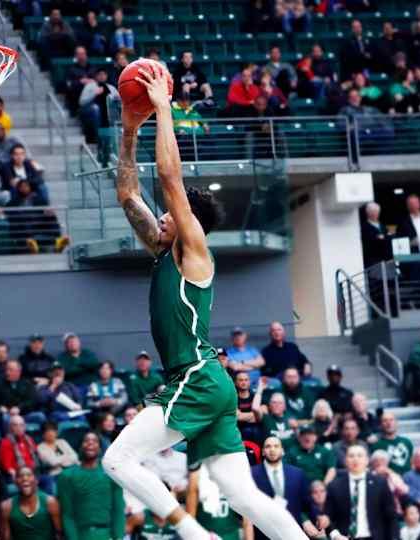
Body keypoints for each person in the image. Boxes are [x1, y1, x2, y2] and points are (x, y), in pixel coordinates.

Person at [105, 63, 307, 540]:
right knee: (239, 492)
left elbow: (170, 180)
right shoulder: (163, 250)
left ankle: (196, 537)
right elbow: (126, 191)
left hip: (195, 376)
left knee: (118, 459)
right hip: (205, 380)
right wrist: (130, 129)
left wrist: (163, 109)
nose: (160, 214)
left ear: (187, 219)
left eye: (170, 212)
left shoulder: (193, 249)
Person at [249, 437, 323, 538]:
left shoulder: (297, 474)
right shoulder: (251, 474)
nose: (272, 449)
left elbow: (307, 504)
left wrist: (319, 520)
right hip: (263, 534)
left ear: (282, 451)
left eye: (276, 446)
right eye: (268, 446)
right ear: (263, 452)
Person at [58, 432, 125, 540]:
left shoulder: (112, 474)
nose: (90, 443)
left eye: (94, 441)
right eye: (86, 441)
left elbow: (118, 510)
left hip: (106, 534)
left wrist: (118, 537)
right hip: (81, 534)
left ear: (99, 447)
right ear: (80, 446)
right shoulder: (66, 476)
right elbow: (67, 515)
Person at [323, 445, 397, 540]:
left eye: (359, 455)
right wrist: (335, 535)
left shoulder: (380, 483)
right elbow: (327, 517)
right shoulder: (334, 486)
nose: (355, 459)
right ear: (345, 461)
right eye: (351, 456)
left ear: (367, 460)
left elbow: (391, 516)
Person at [0, 466, 61, 540]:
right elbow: (5, 537)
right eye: (20, 476)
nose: (25, 478)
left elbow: (59, 533)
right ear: (15, 482)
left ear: (36, 480)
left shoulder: (50, 502)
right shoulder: (6, 506)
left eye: (29, 475)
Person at [186, 465, 241, 540]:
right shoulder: (196, 476)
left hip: (231, 534)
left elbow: (247, 520)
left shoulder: (235, 473)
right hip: (205, 535)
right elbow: (190, 518)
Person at [0, 415, 37, 481]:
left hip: (34, 472)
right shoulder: (6, 442)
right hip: (20, 475)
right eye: (15, 425)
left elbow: (36, 457)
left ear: (24, 427)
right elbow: (8, 467)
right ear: (10, 427)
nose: (19, 428)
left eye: (21, 425)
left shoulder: (29, 440)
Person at [361, 202, 392, 267]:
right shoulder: (364, 227)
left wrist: (384, 237)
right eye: (372, 211)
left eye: (377, 211)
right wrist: (383, 237)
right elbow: (371, 241)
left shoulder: (383, 226)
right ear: (367, 213)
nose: (375, 213)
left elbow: (388, 237)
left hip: (386, 259)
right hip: (373, 261)